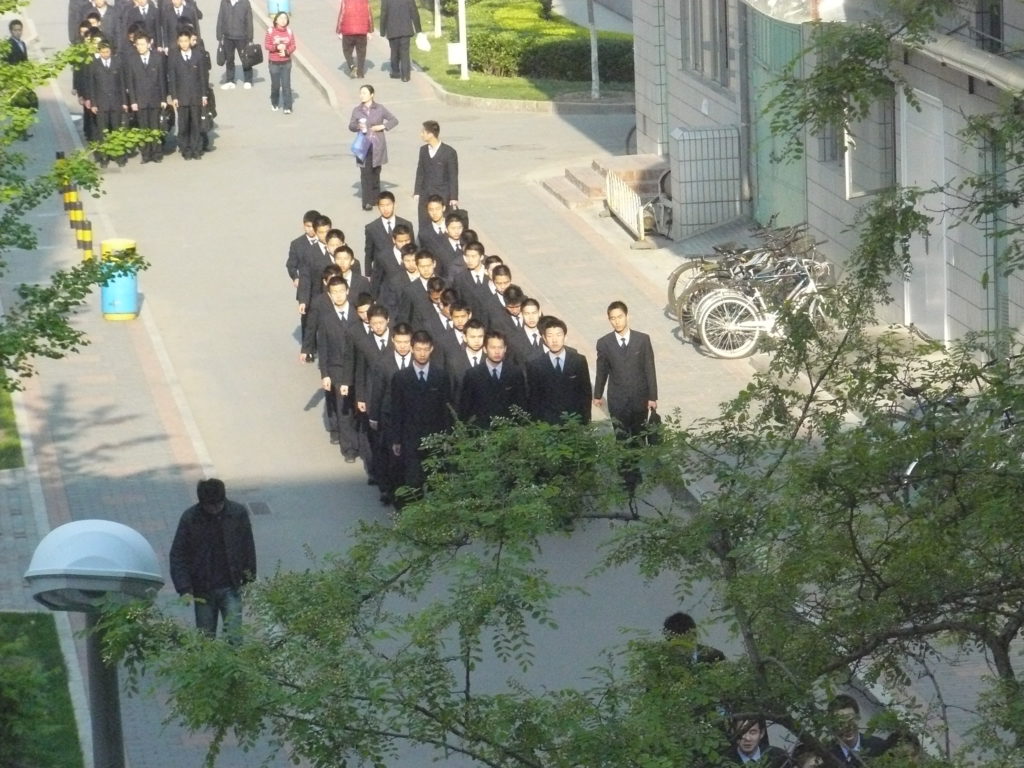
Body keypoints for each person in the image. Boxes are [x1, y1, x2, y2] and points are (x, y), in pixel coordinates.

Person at [169, 478, 257, 640]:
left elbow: (247, 547)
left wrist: (249, 578)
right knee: (205, 639)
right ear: (202, 503)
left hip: (231, 585)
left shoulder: (237, 514)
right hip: (203, 589)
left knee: (235, 637)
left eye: (218, 504)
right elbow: (178, 555)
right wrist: (184, 588)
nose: (215, 509)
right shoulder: (190, 518)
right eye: (211, 505)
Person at [386, 330, 452, 498]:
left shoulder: (441, 376)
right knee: (413, 479)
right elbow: (396, 409)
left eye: (425, 349)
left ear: (431, 349)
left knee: (435, 479)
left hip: (435, 435)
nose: (422, 353)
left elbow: (447, 409)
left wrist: (447, 437)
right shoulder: (400, 377)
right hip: (410, 436)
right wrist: (396, 439)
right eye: (418, 349)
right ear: (411, 349)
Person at [594, 301, 659, 438]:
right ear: (609, 320)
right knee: (621, 436)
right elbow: (602, 370)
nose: (617, 321)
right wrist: (597, 395)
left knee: (640, 436)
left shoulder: (642, 340)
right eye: (613, 318)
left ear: (627, 316)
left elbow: (649, 368)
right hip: (617, 398)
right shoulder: (604, 343)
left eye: (620, 317)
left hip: (639, 397)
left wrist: (652, 397)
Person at [526, 317, 592, 425]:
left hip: (574, 421)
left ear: (565, 337)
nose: (554, 340)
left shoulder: (578, 361)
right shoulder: (535, 365)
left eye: (558, 335)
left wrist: (586, 420)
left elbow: (585, 393)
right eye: (550, 336)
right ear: (544, 338)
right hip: (547, 424)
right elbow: (534, 399)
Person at [458, 331, 527, 428]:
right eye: (493, 347)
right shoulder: (472, 374)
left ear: (505, 349)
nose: (497, 351)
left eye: (500, 347)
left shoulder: (515, 373)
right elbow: (465, 407)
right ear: (485, 349)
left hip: (509, 430)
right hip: (481, 431)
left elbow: (521, 404)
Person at [348, 84, 398, 211]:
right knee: (365, 174)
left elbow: (393, 120)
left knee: (376, 172)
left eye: (365, 93)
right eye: (361, 93)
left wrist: (382, 127)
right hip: (363, 145)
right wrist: (358, 126)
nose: (362, 95)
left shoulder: (380, 108)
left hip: (377, 144)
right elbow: (351, 126)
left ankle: (376, 198)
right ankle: (367, 201)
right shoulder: (357, 110)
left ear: (372, 94)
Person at [124, 31, 167, 163]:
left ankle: (157, 153)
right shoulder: (132, 59)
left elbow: (162, 80)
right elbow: (130, 82)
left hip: (154, 98)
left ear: (149, 44)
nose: (140, 47)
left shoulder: (157, 58)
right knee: (143, 127)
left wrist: (163, 99)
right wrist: (133, 101)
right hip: (140, 99)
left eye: (143, 44)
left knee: (155, 126)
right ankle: (146, 154)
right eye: (138, 44)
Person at [167, 28, 209, 160]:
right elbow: (172, 79)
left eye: (186, 41)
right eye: (181, 41)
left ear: (190, 41)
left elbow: (203, 76)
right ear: (178, 42)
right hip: (181, 97)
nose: (184, 44)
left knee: (196, 124)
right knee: (184, 124)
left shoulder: (198, 55)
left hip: (196, 96)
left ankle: (196, 149)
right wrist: (174, 97)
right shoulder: (174, 58)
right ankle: (185, 149)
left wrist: (204, 95)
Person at [85, 39, 127, 167]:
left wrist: (124, 102)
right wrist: (93, 104)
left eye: (107, 51)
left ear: (111, 51)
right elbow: (91, 85)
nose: (105, 54)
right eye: (102, 52)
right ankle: (104, 156)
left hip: (116, 102)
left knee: (116, 130)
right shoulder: (94, 65)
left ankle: (118, 155)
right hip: (101, 103)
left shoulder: (117, 63)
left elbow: (122, 84)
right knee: (103, 132)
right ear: (99, 52)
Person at [413, 120, 459, 230]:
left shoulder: (449, 152)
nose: (421, 134)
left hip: (442, 194)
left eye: (423, 132)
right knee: (424, 222)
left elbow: (453, 176)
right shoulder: (423, 150)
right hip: (425, 193)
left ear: (431, 134)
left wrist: (453, 197)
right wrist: (417, 191)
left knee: (442, 223)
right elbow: (420, 171)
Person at [364, 191, 413, 283]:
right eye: (382, 206)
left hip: (403, 270)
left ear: (394, 204)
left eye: (388, 205)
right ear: (378, 207)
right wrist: (368, 275)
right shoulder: (371, 228)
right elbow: (368, 253)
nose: (385, 209)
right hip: (381, 273)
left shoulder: (406, 224)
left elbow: (412, 248)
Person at [827, 695, 887, 766]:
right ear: (832, 724)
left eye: (851, 721)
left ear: (857, 718)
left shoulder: (878, 746)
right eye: (841, 723)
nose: (847, 726)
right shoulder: (826, 755)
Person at [216, 0, 254, 89]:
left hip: (242, 36)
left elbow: (249, 20)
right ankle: (230, 80)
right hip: (227, 36)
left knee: (245, 59)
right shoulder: (224, 2)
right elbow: (220, 18)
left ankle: (248, 80)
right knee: (229, 59)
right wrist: (219, 35)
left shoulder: (245, 2)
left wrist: (250, 37)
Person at [379, 0, 420, 82]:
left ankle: (395, 72)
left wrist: (382, 31)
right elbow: (414, 11)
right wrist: (418, 29)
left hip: (392, 29)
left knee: (394, 51)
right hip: (405, 29)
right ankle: (405, 76)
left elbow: (384, 13)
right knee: (405, 53)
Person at [264, 11, 295, 113]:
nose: (283, 20)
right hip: (274, 63)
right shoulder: (270, 31)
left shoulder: (289, 32)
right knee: (276, 85)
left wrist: (286, 52)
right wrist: (276, 47)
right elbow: (267, 45)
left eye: (285, 18)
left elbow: (293, 46)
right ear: (276, 20)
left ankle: (287, 106)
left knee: (286, 85)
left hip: (286, 63)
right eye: (281, 18)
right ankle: (275, 102)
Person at [336, 0, 372, 79]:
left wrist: (338, 30)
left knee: (347, 50)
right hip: (362, 32)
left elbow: (341, 15)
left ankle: (352, 66)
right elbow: (369, 16)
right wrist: (370, 30)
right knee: (361, 52)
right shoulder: (365, 1)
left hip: (348, 32)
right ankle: (360, 73)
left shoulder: (345, 1)